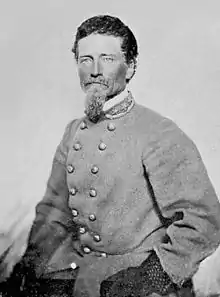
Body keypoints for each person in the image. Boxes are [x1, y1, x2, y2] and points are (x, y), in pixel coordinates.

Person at [2, 14, 220, 297]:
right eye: (85, 60)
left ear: (130, 67)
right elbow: (53, 212)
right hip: (81, 278)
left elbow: (204, 220)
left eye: (106, 58)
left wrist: (151, 276)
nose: (94, 70)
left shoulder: (158, 132)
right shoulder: (72, 132)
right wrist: (27, 271)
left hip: (141, 285)